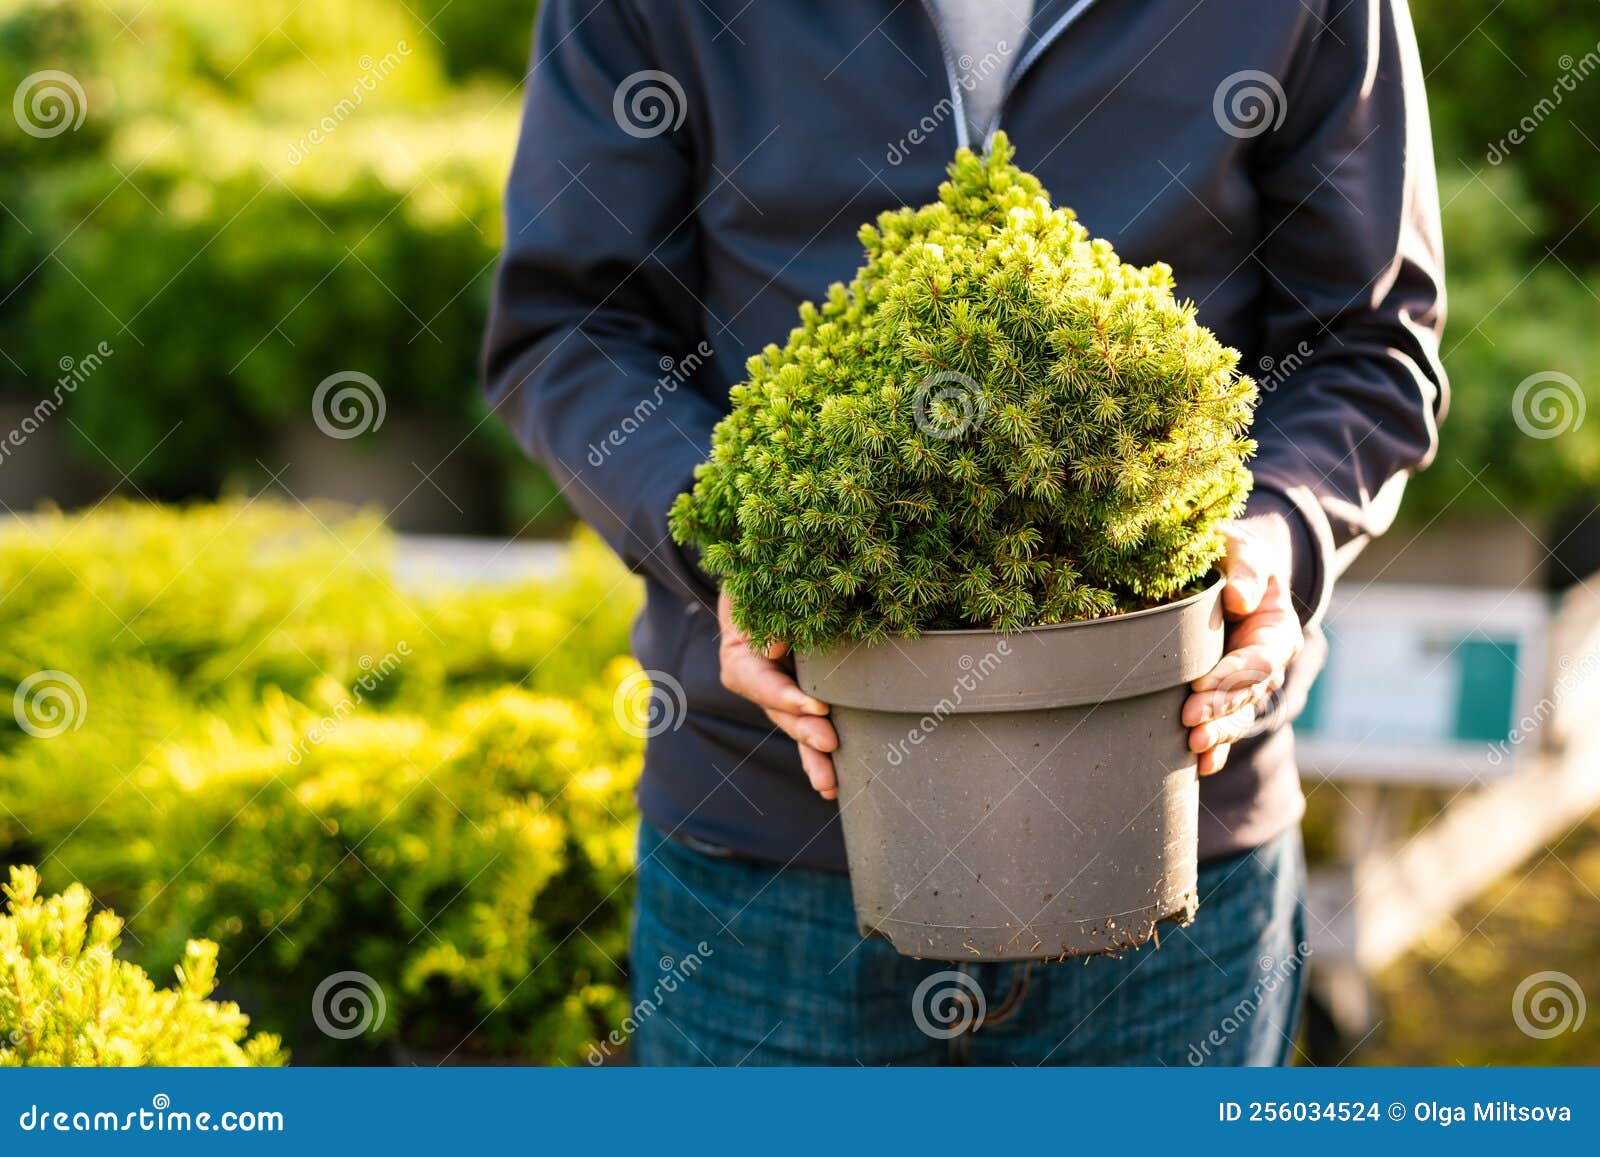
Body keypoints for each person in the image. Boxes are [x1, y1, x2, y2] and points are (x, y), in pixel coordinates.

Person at [484, 0, 1446, 1065]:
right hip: (770, 850)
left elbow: (1368, 341)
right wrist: (738, 546)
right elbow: (574, 326)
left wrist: (1277, 535)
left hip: (1173, 822)